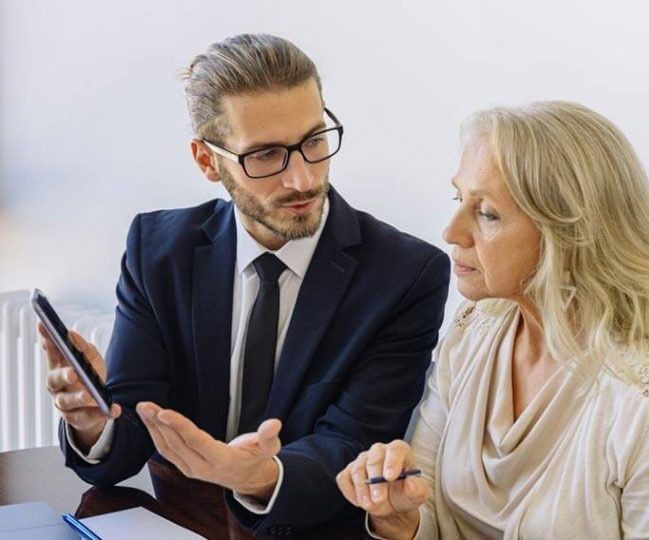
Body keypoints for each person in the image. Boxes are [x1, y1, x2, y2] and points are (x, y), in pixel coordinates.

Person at [39, 33, 450, 536]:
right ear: (207, 161)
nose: (301, 179)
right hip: (184, 521)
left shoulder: (406, 274)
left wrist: (258, 476)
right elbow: (122, 446)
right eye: (265, 155)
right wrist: (91, 422)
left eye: (314, 141)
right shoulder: (158, 249)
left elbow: (352, 443)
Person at [336, 102, 649, 539]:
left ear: (569, 233)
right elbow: (426, 512)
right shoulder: (474, 328)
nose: (451, 231)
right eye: (459, 199)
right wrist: (396, 516)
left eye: (486, 213)